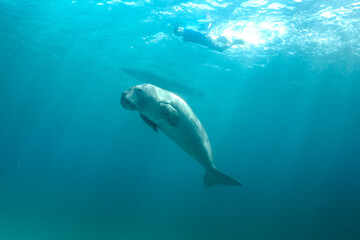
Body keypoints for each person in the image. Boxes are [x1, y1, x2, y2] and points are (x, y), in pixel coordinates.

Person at [174, 26, 244, 52]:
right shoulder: (187, 32)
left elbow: (196, 35)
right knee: (217, 42)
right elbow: (197, 33)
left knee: (219, 49)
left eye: (177, 33)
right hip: (205, 39)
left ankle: (232, 42)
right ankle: (233, 41)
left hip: (205, 40)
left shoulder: (185, 35)